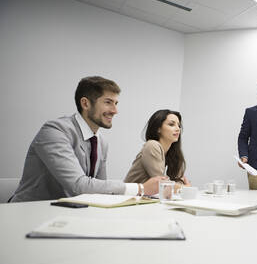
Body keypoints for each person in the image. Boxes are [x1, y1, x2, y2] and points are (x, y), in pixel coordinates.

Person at [9, 76, 163, 202]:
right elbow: (78, 185)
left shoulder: (101, 142)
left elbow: (101, 188)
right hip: (29, 211)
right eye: (108, 102)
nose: (115, 111)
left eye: (116, 103)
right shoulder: (55, 131)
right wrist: (140, 188)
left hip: (69, 212)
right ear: (85, 103)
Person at [124, 109, 190, 192]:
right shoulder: (152, 145)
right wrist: (185, 188)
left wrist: (182, 186)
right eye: (171, 124)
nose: (178, 129)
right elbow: (162, 183)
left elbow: (179, 181)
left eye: (179, 125)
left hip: (145, 199)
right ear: (158, 128)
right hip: (128, 198)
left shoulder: (172, 153)